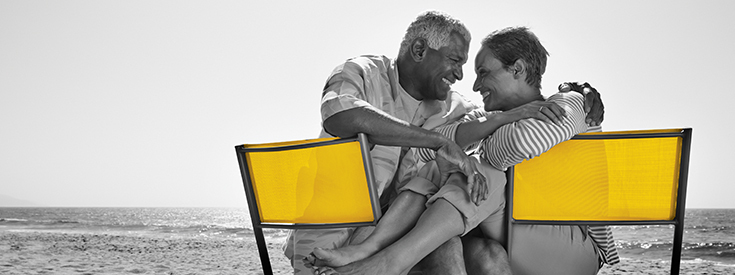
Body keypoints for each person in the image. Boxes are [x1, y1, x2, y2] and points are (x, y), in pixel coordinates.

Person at [309, 26, 616, 275]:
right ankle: (370, 250)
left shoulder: (571, 102)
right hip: (511, 240)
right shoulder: (484, 118)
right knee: (480, 246)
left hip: (573, 249)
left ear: (518, 69)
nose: (475, 83)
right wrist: (498, 122)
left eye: (484, 72)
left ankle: (389, 261)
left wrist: (477, 147)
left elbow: (519, 145)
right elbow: (430, 146)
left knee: (481, 167)